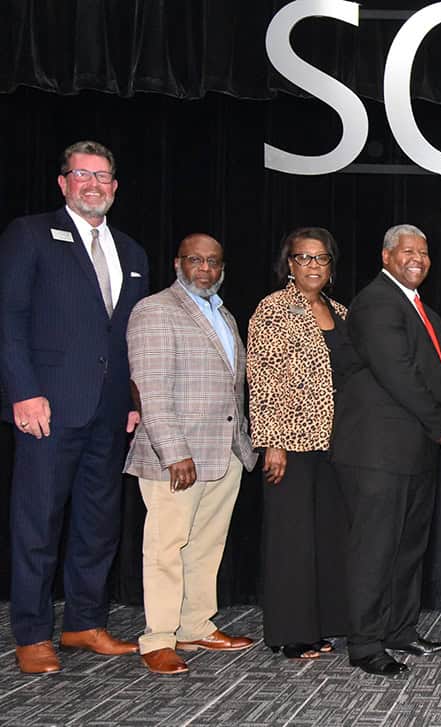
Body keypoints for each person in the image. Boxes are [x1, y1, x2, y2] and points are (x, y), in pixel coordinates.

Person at [0, 140, 146, 674]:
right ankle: (33, 633)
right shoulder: (30, 234)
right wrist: (22, 390)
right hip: (47, 407)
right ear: (63, 183)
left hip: (108, 414)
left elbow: (130, 336)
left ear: (114, 187)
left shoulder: (131, 251)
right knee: (38, 522)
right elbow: (9, 319)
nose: (93, 184)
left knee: (98, 523)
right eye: (82, 174)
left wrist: (132, 399)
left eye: (103, 176)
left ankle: (84, 623)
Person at [329, 224, 441, 676]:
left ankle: (400, 630)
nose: (417, 259)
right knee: (374, 549)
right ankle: (366, 644)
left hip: (413, 451)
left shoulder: (420, 307)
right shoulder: (376, 302)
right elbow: (399, 373)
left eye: (423, 253)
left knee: (406, 548)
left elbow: (436, 372)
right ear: (386, 256)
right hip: (376, 454)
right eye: (407, 251)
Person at [124, 234, 259, 675]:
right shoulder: (155, 310)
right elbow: (151, 390)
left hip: (223, 452)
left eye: (214, 262)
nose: (206, 268)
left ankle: (195, 624)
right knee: (165, 546)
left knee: (205, 545)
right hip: (178, 457)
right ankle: (158, 638)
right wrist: (173, 451)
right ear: (177, 263)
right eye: (196, 260)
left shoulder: (223, 313)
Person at [247, 227, 352, 661]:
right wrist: (272, 441)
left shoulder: (341, 310)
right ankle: (292, 633)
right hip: (291, 442)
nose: (312, 265)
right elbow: (263, 376)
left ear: (331, 265)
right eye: (303, 258)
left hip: (336, 444)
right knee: (291, 540)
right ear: (288, 264)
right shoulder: (273, 309)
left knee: (329, 537)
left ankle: (325, 623)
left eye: (321, 258)